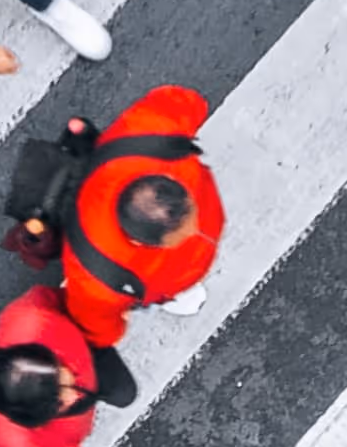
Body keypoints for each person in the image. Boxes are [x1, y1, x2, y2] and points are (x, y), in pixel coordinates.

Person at [17, 83, 224, 347]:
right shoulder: (96, 281)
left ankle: (175, 294)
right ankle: (175, 295)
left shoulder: (155, 130)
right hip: (172, 278)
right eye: (181, 235)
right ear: (139, 241)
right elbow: (98, 326)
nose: (196, 229)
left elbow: (184, 103)